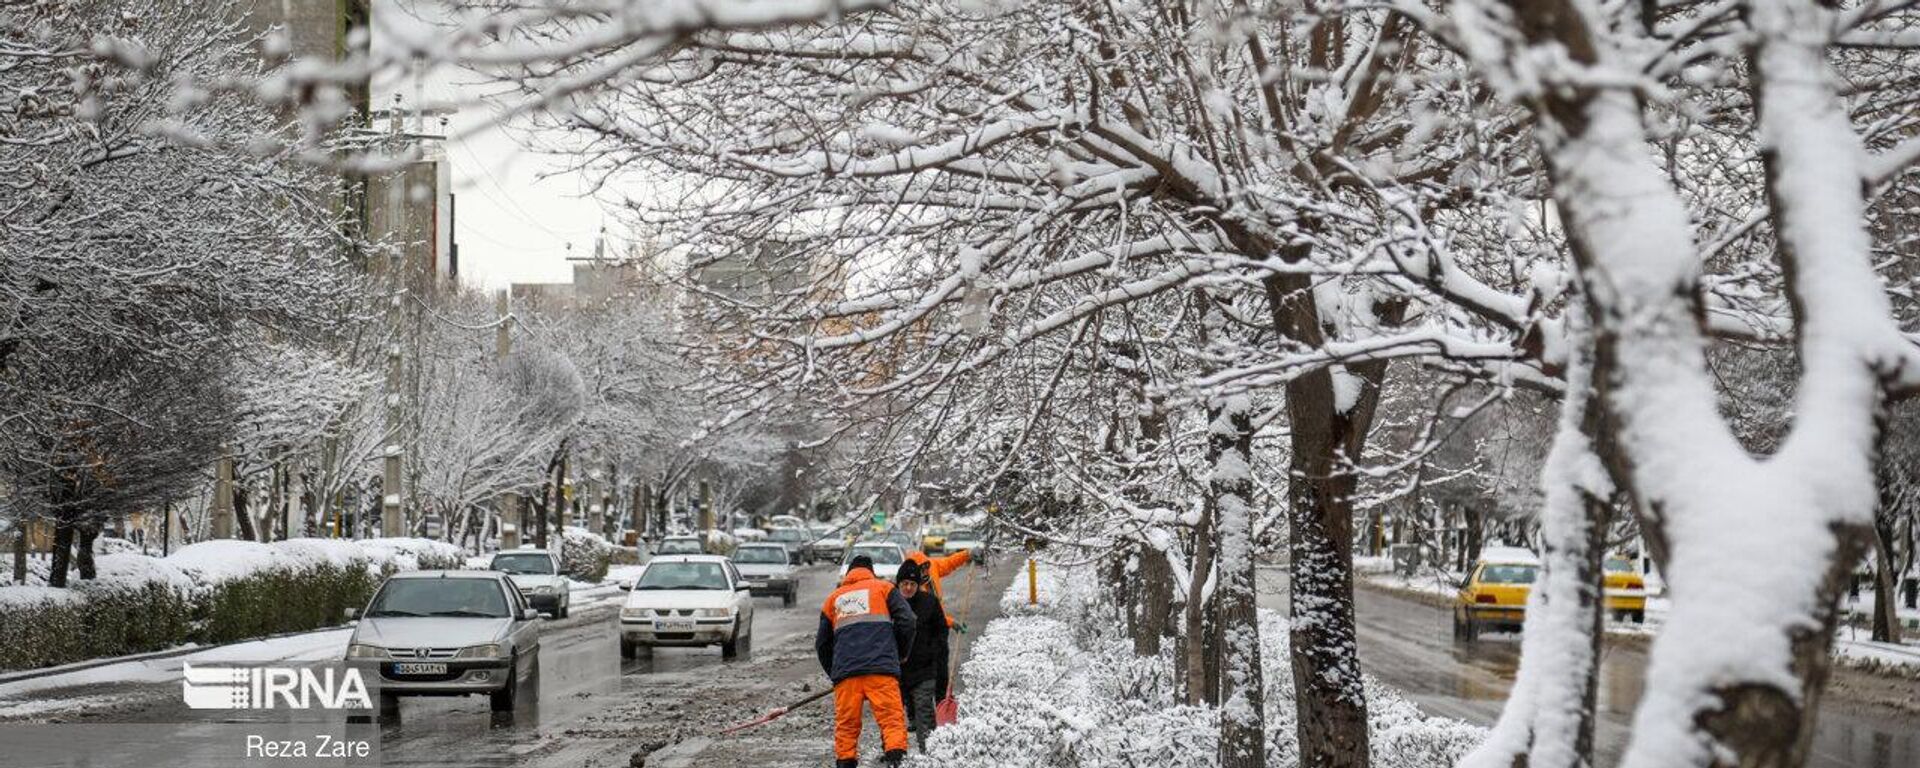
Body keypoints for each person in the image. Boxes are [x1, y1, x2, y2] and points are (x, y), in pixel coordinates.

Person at [816, 554, 916, 768]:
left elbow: (822, 644)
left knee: (846, 729)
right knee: (892, 722)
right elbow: (907, 620)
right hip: (881, 671)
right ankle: (896, 762)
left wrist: (835, 672)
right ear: (871, 571)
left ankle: (845, 764)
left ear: (849, 573)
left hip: (846, 675)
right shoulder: (884, 589)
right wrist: (900, 654)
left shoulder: (833, 599)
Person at [892, 560, 949, 752]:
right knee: (893, 715)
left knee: (924, 710)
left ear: (918, 585)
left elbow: (941, 632)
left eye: (912, 584)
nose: (908, 588)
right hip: (895, 670)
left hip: (923, 669)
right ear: (898, 584)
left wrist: (932, 653)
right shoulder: (888, 603)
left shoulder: (929, 602)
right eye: (904, 584)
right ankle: (895, 753)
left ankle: (930, 753)